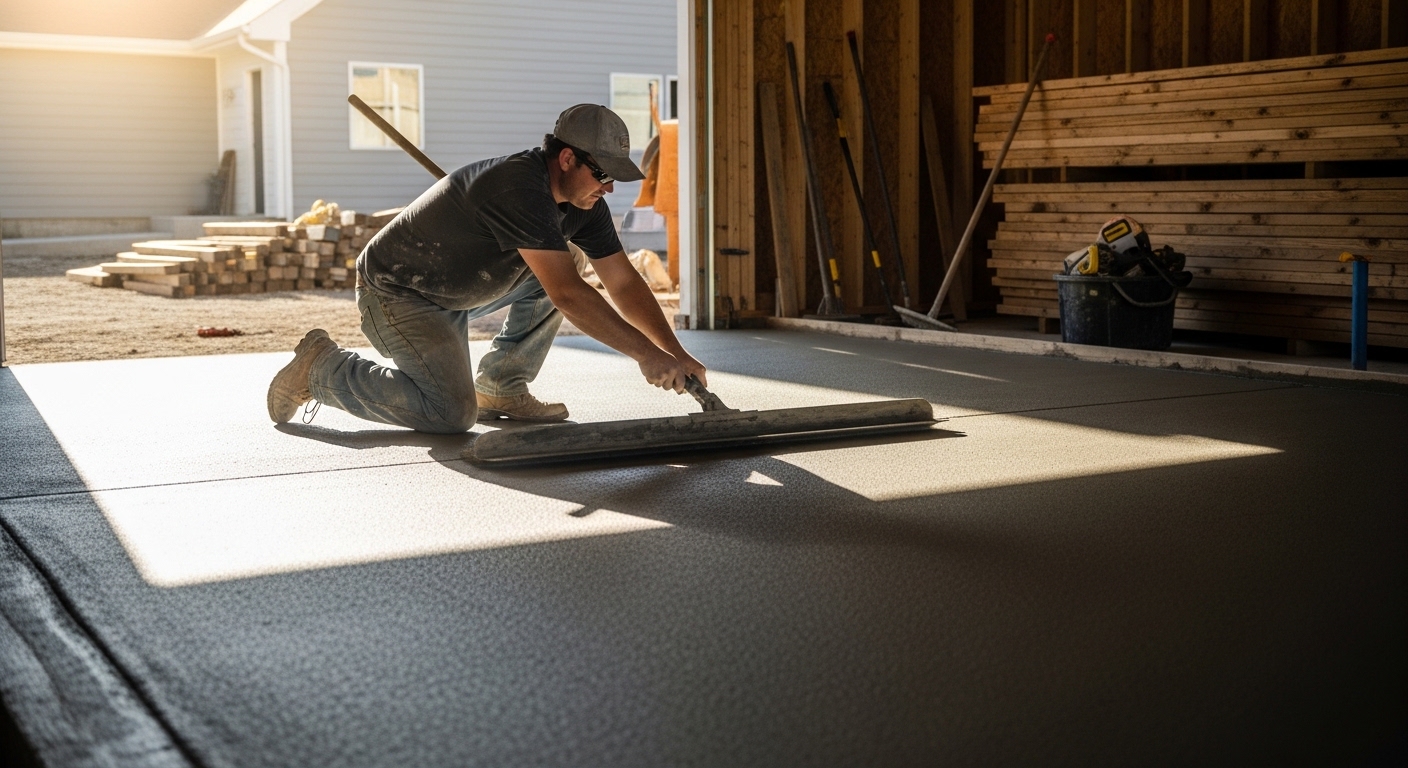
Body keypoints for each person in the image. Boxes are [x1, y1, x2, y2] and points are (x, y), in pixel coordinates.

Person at [265, 104, 706, 433]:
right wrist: (647, 357)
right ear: (567, 159)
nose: (609, 188)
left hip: (458, 288)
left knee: (566, 258)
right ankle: (322, 369)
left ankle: (502, 384)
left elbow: (624, 281)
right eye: (602, 174)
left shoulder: (582, 203)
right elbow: (568, 296)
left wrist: (674, 352)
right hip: (399, 293)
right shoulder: (517, 187)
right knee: (451, 414)